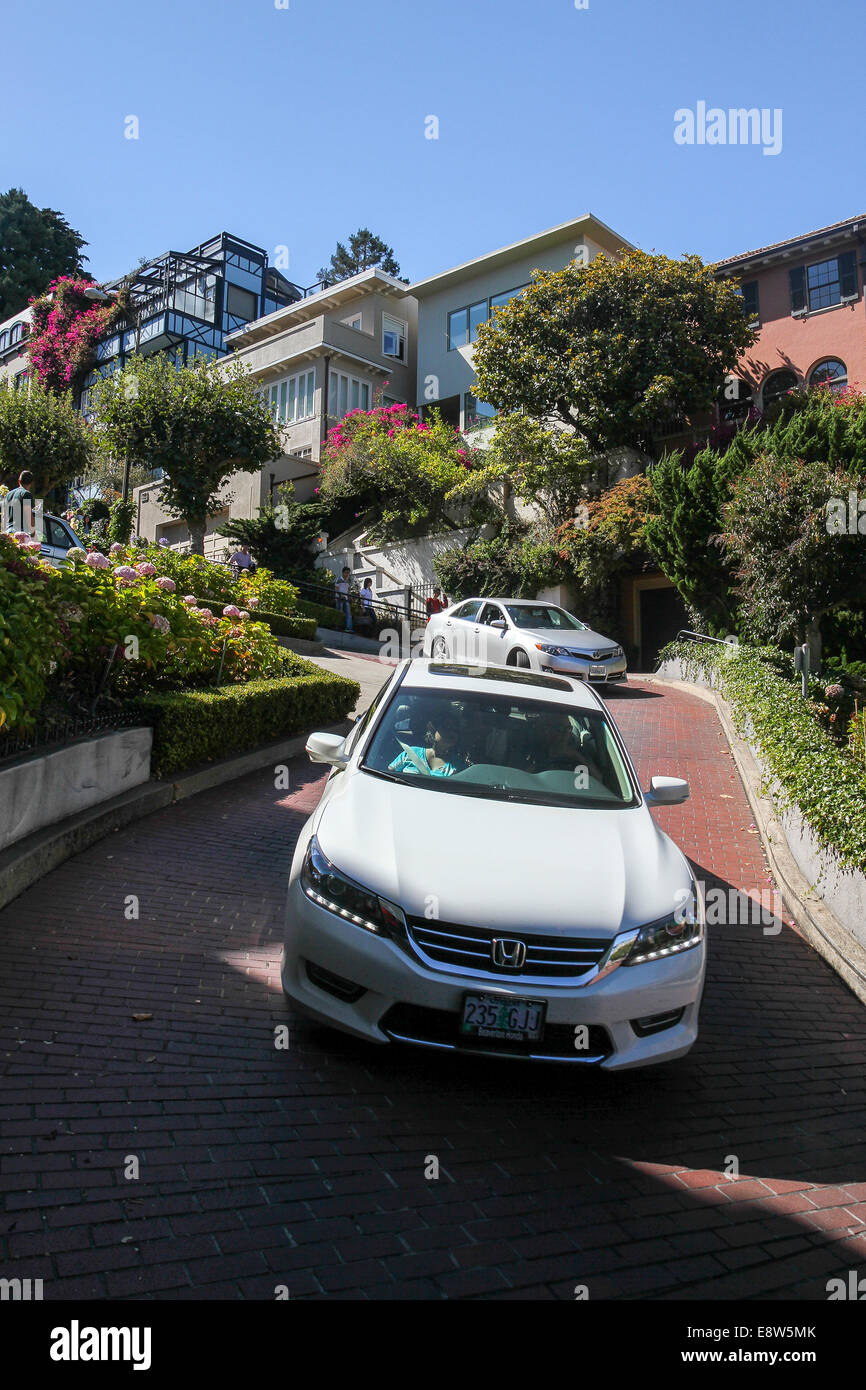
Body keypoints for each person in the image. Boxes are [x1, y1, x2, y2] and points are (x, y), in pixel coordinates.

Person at [388, 713, 465, 777]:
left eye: (455, 730)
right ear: (433, 730)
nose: (451, 732)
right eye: (447, 727)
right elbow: (389, 776)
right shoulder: (411, 752)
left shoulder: (458, 765)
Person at [335, 566, 354, 632]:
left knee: (348, 614)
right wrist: (341, 595)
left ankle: (349, 628)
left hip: (346, 599)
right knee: (339, 613)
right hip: (339, 599)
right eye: (346, 573)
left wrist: (350, 597)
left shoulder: (348, 581)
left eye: (348, 573)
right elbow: (336, 590)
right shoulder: (339, 580)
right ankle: (337, 626)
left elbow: (348, 591)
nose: (347, 574)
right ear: (343, 572)